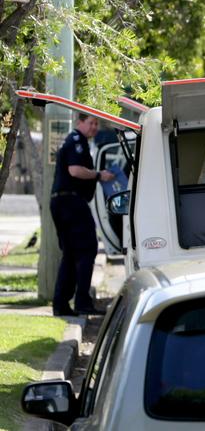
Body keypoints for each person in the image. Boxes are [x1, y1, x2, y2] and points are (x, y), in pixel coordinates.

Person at [51, 113, 114, 316]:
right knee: (87, 249)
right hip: (71, 203)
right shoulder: (76, 141)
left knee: (70, 254)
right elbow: (75, 170)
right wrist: (98, 175)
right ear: (80, 122)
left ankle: (62, 304)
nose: (94, 127)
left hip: (65, 202)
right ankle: (81, 302)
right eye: (91, 123)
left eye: (97, 124)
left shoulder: (78, 141)